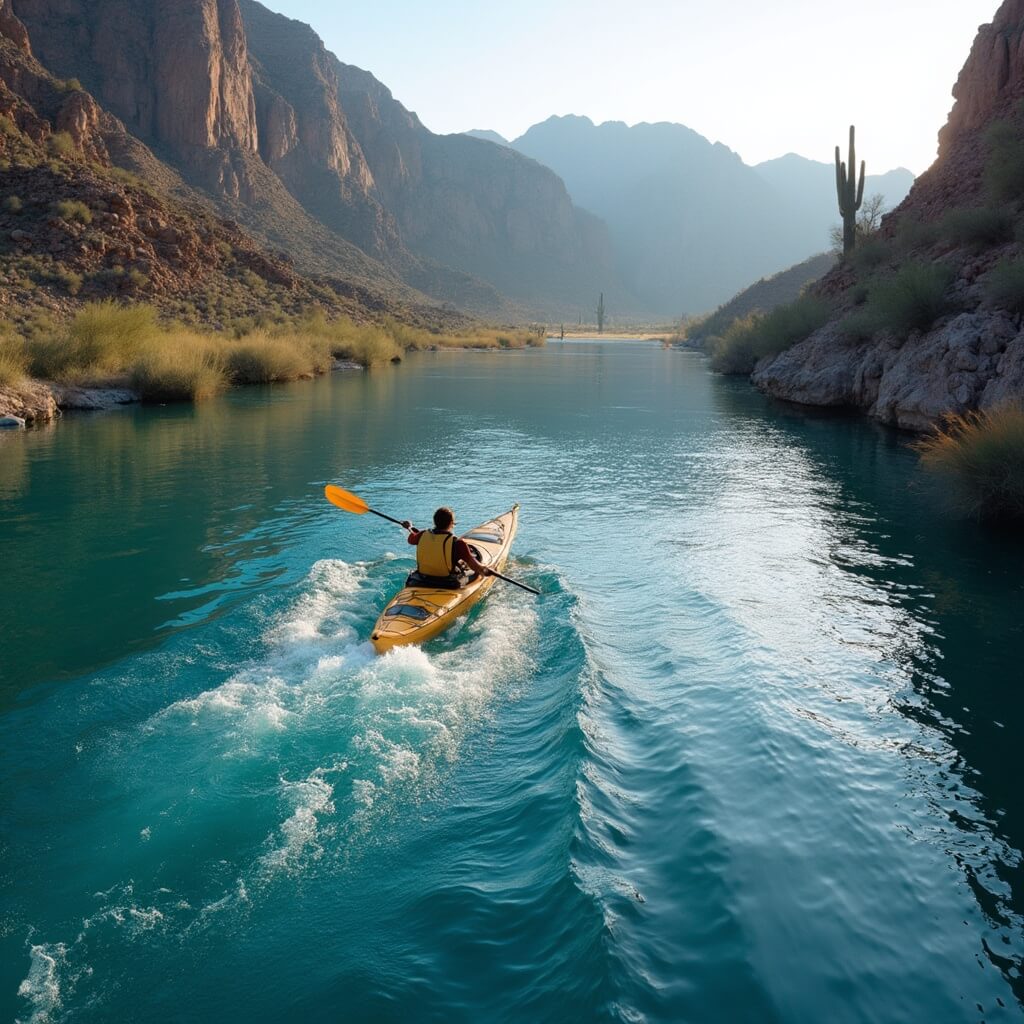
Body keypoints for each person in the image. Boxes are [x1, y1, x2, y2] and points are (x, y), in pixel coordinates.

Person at [401, 506, 492, 586]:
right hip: (447, 582)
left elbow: (411, 539)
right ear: (451, 523)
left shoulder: (421, 535)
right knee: (475, 573)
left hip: (423, 578)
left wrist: (410, 527)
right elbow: (475, 566)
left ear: (435, 521)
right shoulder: (457, 543)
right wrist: (486, 570)